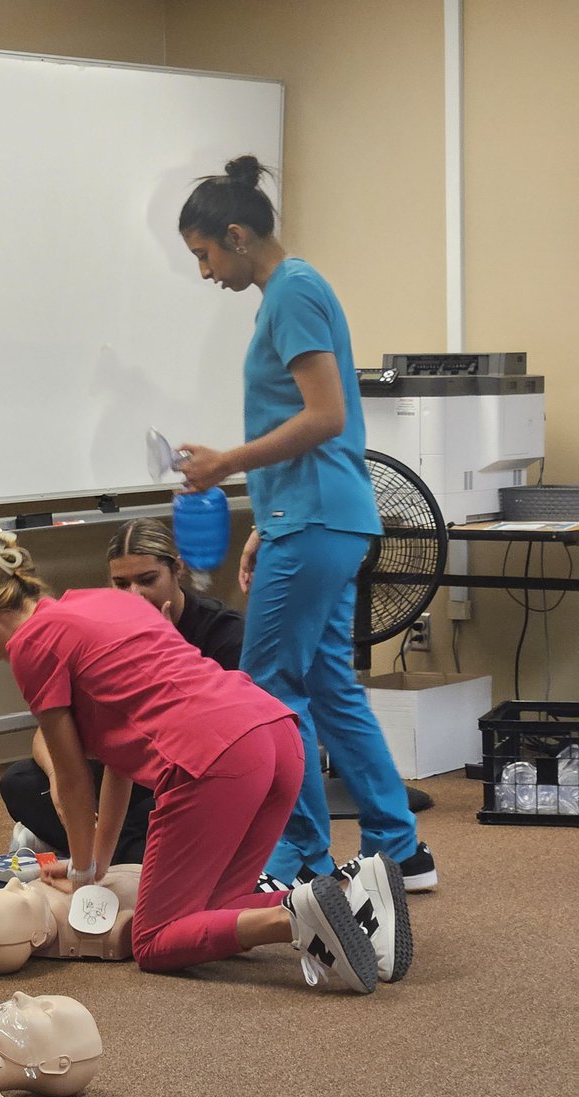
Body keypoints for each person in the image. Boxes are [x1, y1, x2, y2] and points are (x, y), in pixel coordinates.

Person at [0, 530, 413, 994]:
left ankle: (292, 917)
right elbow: (118, 767)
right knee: (221, 907)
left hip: (215, 757)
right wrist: (93, 870)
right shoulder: (106, 601)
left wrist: (80, 872)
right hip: (277, 734)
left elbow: (71, 777)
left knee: (154, 942)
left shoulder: (31, 645)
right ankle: (352, 893)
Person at [174, 155, 436, 892]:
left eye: (204, 254)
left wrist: (227, 463)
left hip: (316, 517)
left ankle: (299, 858)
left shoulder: (291, 292)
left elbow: (327, 416)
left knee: (267, 691)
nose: (203, 272)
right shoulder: (289, 291)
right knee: (328, 687)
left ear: (236, 234)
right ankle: (400, 849)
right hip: (315, 515)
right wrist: (265, 515)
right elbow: (305, 424)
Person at [0, 517, 244, 860]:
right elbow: (50, 733)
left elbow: (213, 745)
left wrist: (160, 650)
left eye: (147, 580)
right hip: (123, 774)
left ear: (178, 570)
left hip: (185, 777)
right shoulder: (98, 628)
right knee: (21, 782)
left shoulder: (223, 633)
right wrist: (61, 783)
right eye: (121, 583)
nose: (134, 595)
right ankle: (113, 852)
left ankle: (96, 849)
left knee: (159, 819)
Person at [0, 867, 141, 974]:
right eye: (23, 900)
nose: (14, 883)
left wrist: (79, 869)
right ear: (35, 938)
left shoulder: (38, 893)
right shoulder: (92, 930)